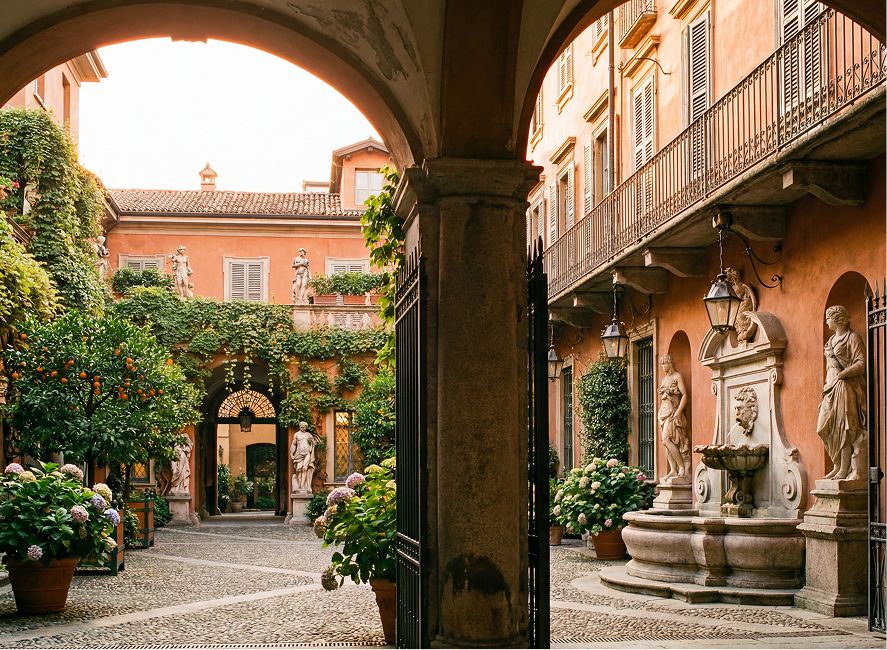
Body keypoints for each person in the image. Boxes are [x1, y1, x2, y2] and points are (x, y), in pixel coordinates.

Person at [816, 305, 867, 480]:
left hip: (845, 386)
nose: (826, 320)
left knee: (844, 428)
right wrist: (825, 389)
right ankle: (837, 465)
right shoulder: (830, 341)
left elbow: (861, 364)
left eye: (828, 317)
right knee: (824, 428)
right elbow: (829, 367)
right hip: (830, 387)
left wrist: (843, 374)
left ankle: (844, 469)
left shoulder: (852, 338)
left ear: (838, 319)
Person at [658, 354, 690, 481]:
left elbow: (685, 395)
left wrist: (679, 412)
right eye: (660, 364)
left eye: (663, 363)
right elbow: (662, 399)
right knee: (665, 443)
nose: (662, 366)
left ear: (669, 362)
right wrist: (659, 414)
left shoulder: (677, 376)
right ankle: (673, 469)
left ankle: (681, 467)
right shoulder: (664, 379)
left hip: (673, 412)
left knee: (666, 439)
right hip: (664, 413)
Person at [290, 421, 316, 493]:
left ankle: (302, 486)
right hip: (298, 454)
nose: (302, 428)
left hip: (307, 453)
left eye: (304, 427)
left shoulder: (309, 435)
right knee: (299, 469)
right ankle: (299, 484)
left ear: (306, 427)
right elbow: (293, 444)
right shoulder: (296, 434)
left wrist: (313, 446)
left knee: (305, 468)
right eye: (301, 427)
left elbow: (313, 443)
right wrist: (291, 454)